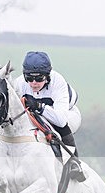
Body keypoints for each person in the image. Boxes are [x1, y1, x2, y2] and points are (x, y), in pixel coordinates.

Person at [14, 51, 85, 182]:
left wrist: (40, 107)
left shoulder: (58, 82)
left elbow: (61, 119)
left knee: (58, 125)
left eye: (39, 78)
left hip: (67, 114)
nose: (34, 83)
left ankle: (74, 162)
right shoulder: (19, 83)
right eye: (29, 78)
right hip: (38, 112)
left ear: (47, 76)